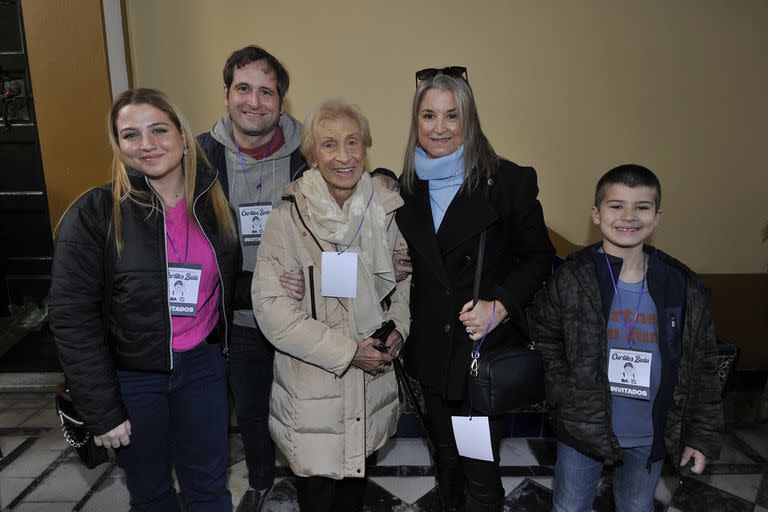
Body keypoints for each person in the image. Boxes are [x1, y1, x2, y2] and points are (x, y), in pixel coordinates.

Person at [48, 88, 239, 511]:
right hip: (134, 377)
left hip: (203, 368)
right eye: (130, 135)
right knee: (151, 493)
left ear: (184, 137)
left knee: (209, 489)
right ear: (118, 146)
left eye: (158, 130)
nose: (147, 144)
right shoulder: (95, 212)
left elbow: (225, 283)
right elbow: (71, 317)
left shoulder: (214, 203)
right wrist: (102, 408)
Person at [396, 67, 555, 511]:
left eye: (452, 116)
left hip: (478, 353)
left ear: (469, 120)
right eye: (429, 116)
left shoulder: (507, 182)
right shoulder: (408, 187)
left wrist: (500, 305)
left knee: (480, 469)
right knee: (446, 460)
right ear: (417, 122)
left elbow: (539, 258)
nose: (440, 128)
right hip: (431, 353)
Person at [528, 164, 723, 512]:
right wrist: (566, 392)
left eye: (642, 207)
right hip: (583, 429)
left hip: (650, 432)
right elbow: (545, 337)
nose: (628, 216)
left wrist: (701, 436)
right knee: (571, 506)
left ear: (657, 216)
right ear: (596, 213)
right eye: (616, 205)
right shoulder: (572, 278)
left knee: (636, 504)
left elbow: (703, 368)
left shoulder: (681, 286)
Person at [252, 99, 410, 512]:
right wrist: (347, 352)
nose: (343, 155)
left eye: (353, 142)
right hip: (313, 395)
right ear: (313, 155)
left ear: (365, 149)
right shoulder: (287, 218)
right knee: (318, 498)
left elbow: (404, 283)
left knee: (354, 494)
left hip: (371, 386)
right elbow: (271, 309)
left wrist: (398, 330)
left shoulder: (384, 212)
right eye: (329, 144)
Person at [197, 45, 307, 512]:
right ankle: (261, 480)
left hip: (301, 310)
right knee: (253, 408)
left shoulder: (308, 155)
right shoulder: (197, 157)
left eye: (267, 92)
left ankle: (311, 480)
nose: (255, 102)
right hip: (237, 312)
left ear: (281, 102)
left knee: (306, 405)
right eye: (244, 88)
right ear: (226, 94)